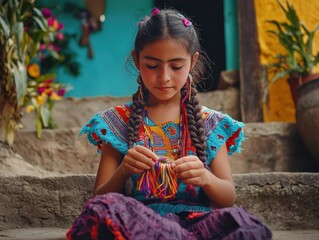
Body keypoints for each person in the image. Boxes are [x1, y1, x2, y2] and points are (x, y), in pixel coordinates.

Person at [66, 8, 272, 240]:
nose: (164, 77)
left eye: (176, 66)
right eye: (152, 66)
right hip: (142, 220)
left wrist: (205, 178)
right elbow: (98, 199)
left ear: (192, 61)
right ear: (137, 60)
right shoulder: (118, 122)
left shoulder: (211, 124)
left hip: (199, 219)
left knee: (246, 226)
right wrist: (123, 170)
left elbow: (228, 198)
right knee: (101, 212)